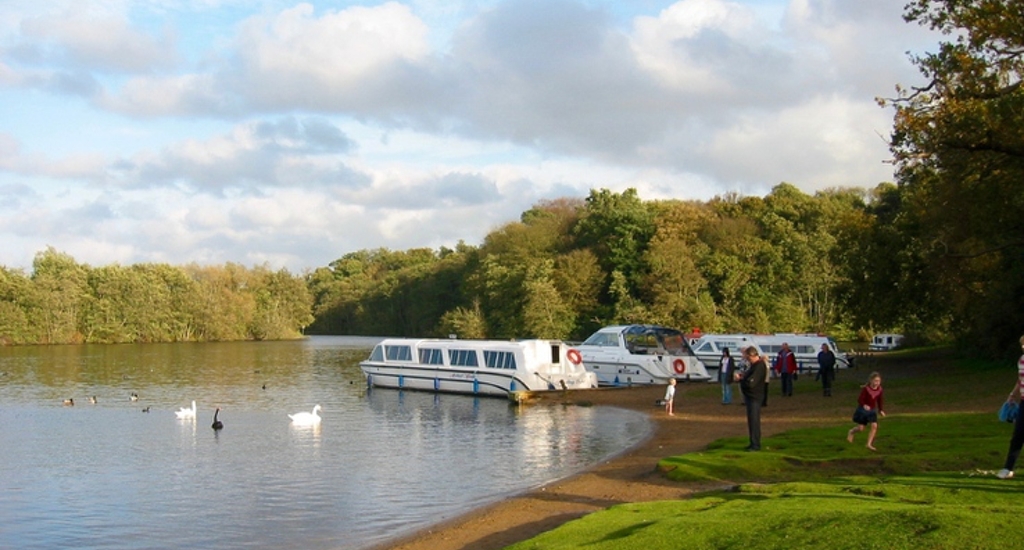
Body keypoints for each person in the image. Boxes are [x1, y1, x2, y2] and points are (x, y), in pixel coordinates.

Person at [997, 335, 1024, 479]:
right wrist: (1012, 394)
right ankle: (1008, 468)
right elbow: (1020, 380)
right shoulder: (1021, 360)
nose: (1023, 347)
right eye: (1022, 345)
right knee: (1018, 435)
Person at [737, 346, 767, 451]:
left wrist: (741, 380)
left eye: (748, 357)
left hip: (755, 397)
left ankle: (755, 444)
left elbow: (751, 383)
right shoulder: (754, 365)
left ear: (752, 356)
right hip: (751, 397)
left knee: (754, 421)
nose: (747, 359)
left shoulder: (759, 366)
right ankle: (753, 442)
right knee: (752, 421)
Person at [847, 371, 885, 451]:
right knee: (861, 428)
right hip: (863, 411)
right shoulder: (866, 389)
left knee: (874, 426)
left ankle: (869, 444)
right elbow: (860, 399)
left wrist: (881, 410)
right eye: (875, 381)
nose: (877, 383)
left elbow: (880, 400)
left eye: (878, 381)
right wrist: (864, 405)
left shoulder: (880, 390)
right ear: (871, 380)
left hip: (872, 411)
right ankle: (851, 432)